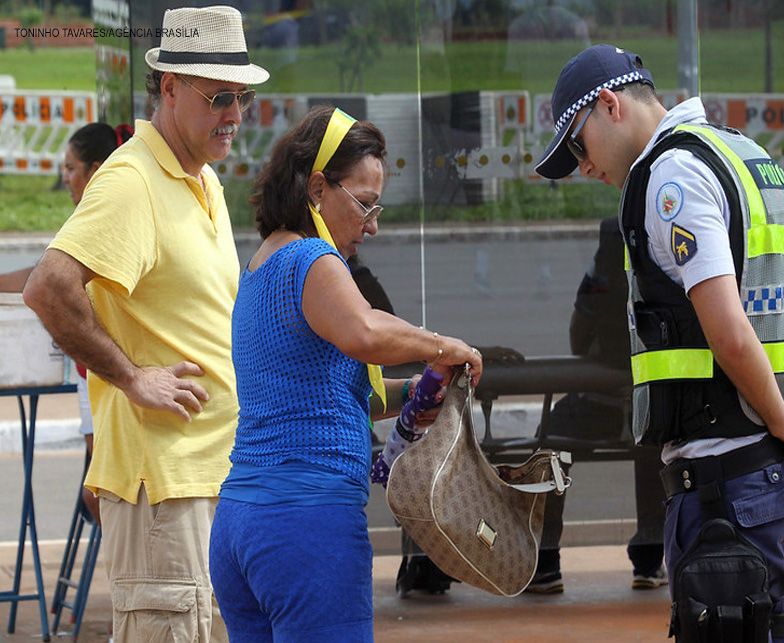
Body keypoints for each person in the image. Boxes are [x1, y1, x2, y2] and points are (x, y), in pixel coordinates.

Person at [535, 44, 784, 642]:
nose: (583, 167)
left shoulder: (671, 179)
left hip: (728, 489)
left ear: (609, 105)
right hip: (781, 488)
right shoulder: (749, 156)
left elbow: (727, 328)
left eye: (577, 145)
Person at [23, 6, 269, 641]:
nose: (234, 116)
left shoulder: (201, 178)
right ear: (169, 88)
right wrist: (133, 378)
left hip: (210, 475)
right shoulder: (132, 180)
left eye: (241, 99)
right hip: (162, 485)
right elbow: (48, 287)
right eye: (219, 98)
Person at [208, 105, 483, 642]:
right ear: (317, 189)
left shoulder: (261, 267)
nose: (372, 225)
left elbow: (326, 391)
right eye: (364, 204)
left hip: (240, 524)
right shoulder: (313, 259)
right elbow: (366, 332)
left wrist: (416, 393)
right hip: (305, 526)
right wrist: (444, 347)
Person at [0, 122, 132, 523]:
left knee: (100, 495)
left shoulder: (107, 218)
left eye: (71, 169)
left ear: (95, 170)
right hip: (92, 374)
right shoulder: (91, 217)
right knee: (99, 492)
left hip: (104, 373)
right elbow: (44, 275)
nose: (65, 179)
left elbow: (44, 281)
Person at [528, 216, 668, 593]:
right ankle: (650, 560)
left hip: (597, 405)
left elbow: (578, 335)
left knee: (551, 441)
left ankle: (545, 562)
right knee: (656, 448)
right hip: (653, 400)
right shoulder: (667, 267)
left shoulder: (601, 274)